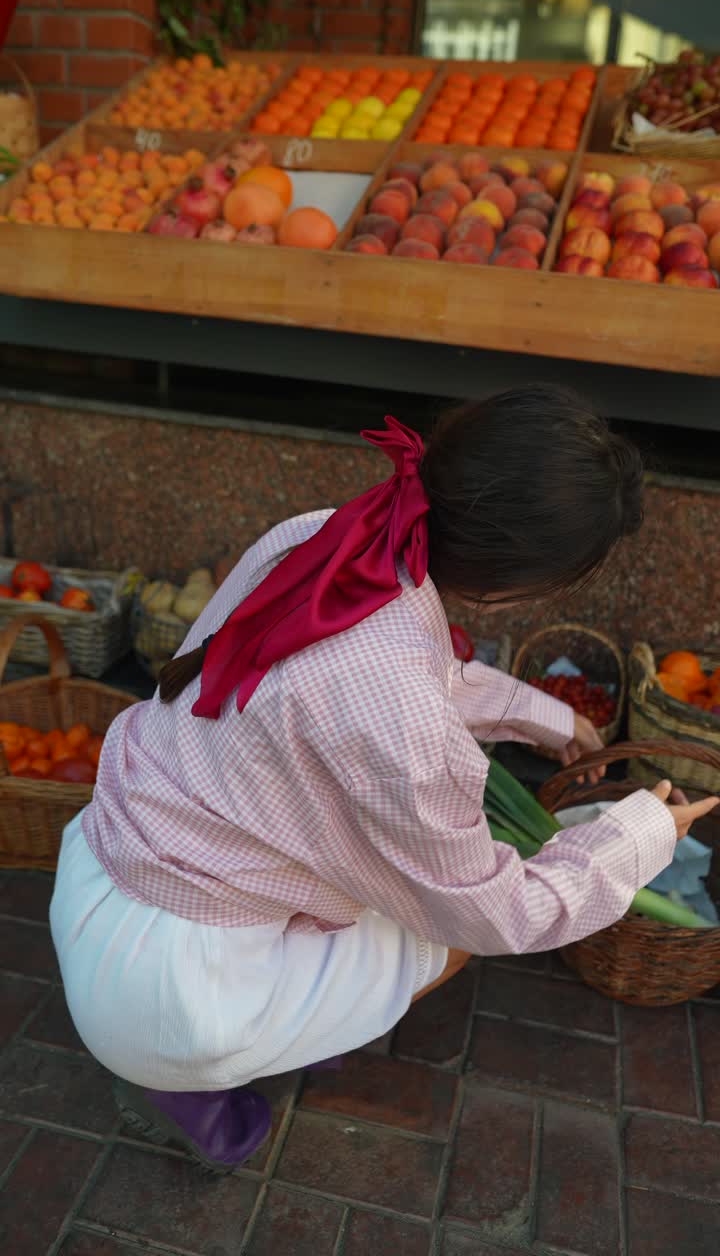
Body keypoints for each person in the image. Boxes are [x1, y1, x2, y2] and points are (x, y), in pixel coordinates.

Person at [50, 386, 716, 1174]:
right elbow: (498, 912)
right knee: (444, 941)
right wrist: (636, 837)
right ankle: (191, 1081)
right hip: (173, 991)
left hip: (98, 876)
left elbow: (389, 678)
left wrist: (544, 715)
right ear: (525, 585)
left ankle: (280, 1025)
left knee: (387, 887)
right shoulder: (402, 712)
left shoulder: (327, 538)